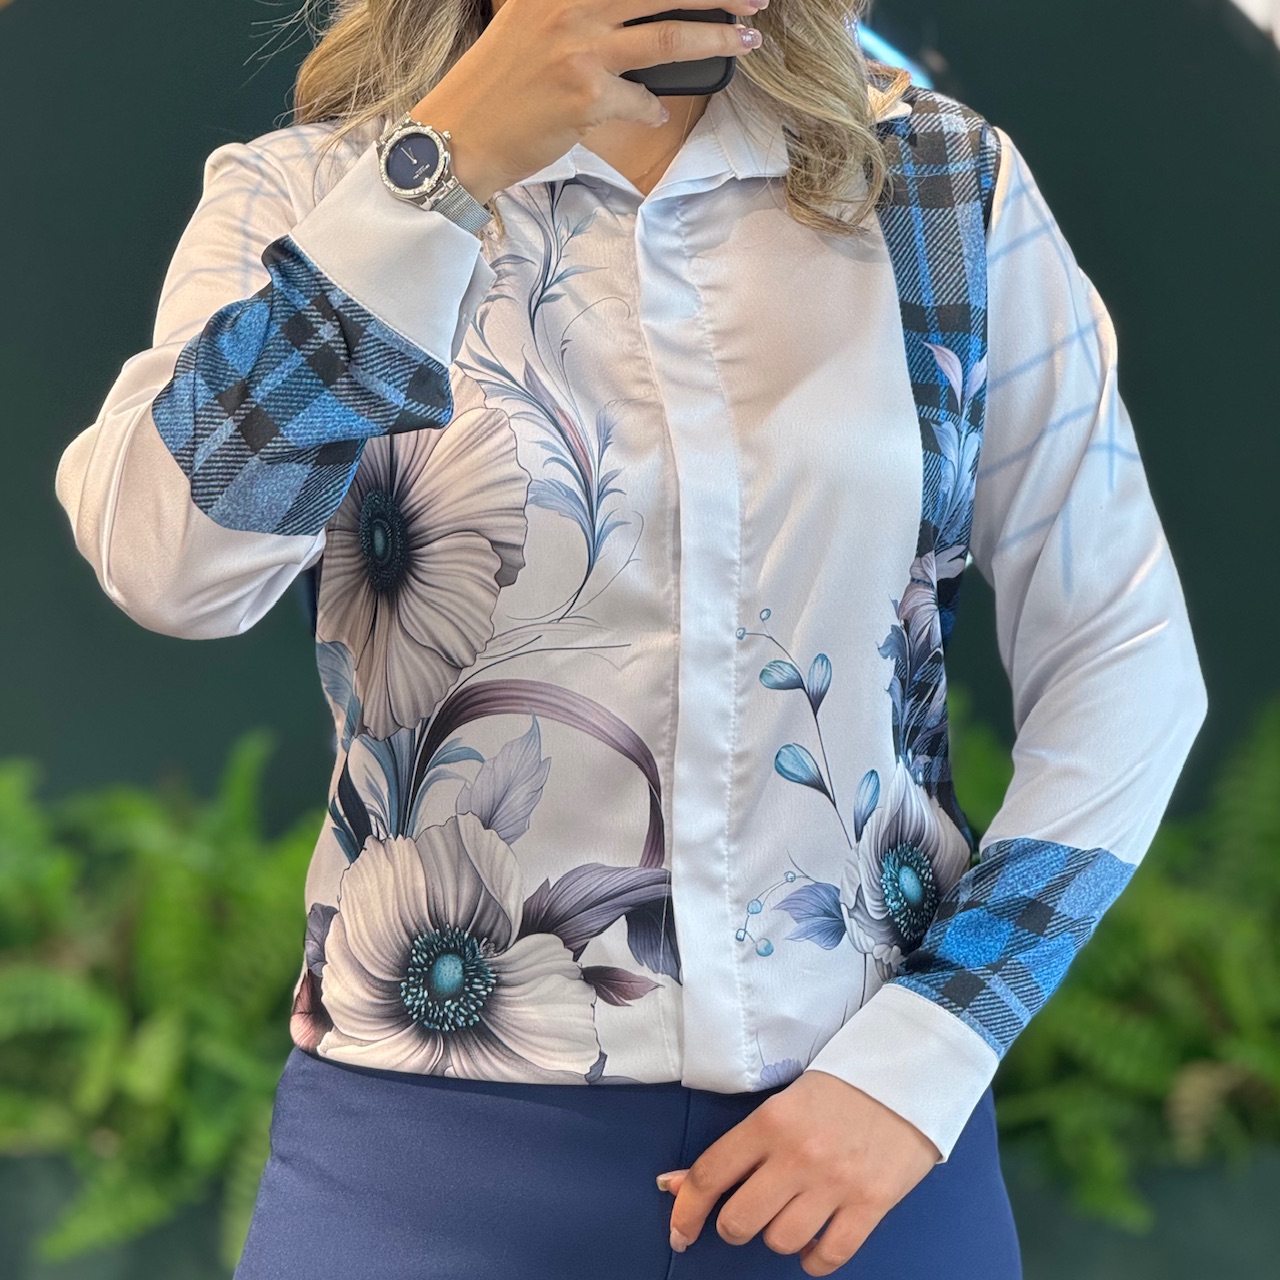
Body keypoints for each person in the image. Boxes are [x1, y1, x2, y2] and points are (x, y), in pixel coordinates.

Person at [52, 0, 1207, 1276]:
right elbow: (172, 567)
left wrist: (929, 1050)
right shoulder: (313, 190)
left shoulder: (935, 189)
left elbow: (1123, 655)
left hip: (856, 1152)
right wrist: (434, 178)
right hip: (421, 1157)